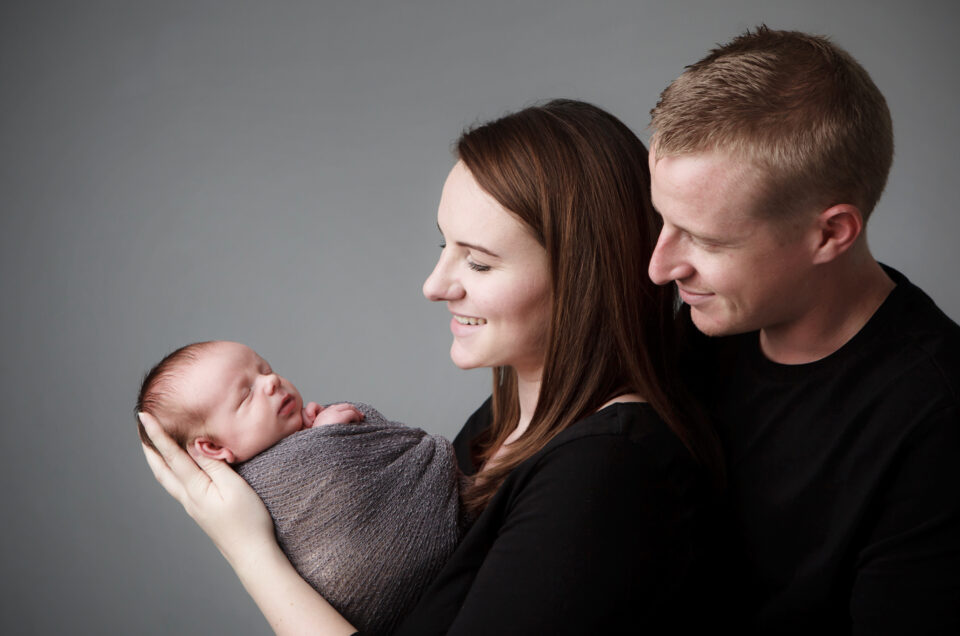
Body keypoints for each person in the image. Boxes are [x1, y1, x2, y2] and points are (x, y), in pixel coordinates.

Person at [139, 98, 724, 635]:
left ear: (581, 279)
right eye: (442, 246)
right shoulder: (502, 423)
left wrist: (249, 551)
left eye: (479, 264)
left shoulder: (604, 472)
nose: (434, 286)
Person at [647, 26, 960, 633]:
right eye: (664, 220)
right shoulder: (703, 326)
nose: (660, 267)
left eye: (708, 240)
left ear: (831, 233)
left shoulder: (937, 422)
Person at [137, 340, 464, 635]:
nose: (271, 381)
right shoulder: (255, 488)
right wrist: (326, 443)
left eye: (265, 369)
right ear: (212, 448)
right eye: (246, 393)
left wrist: (322, 436)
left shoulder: (315, 427)